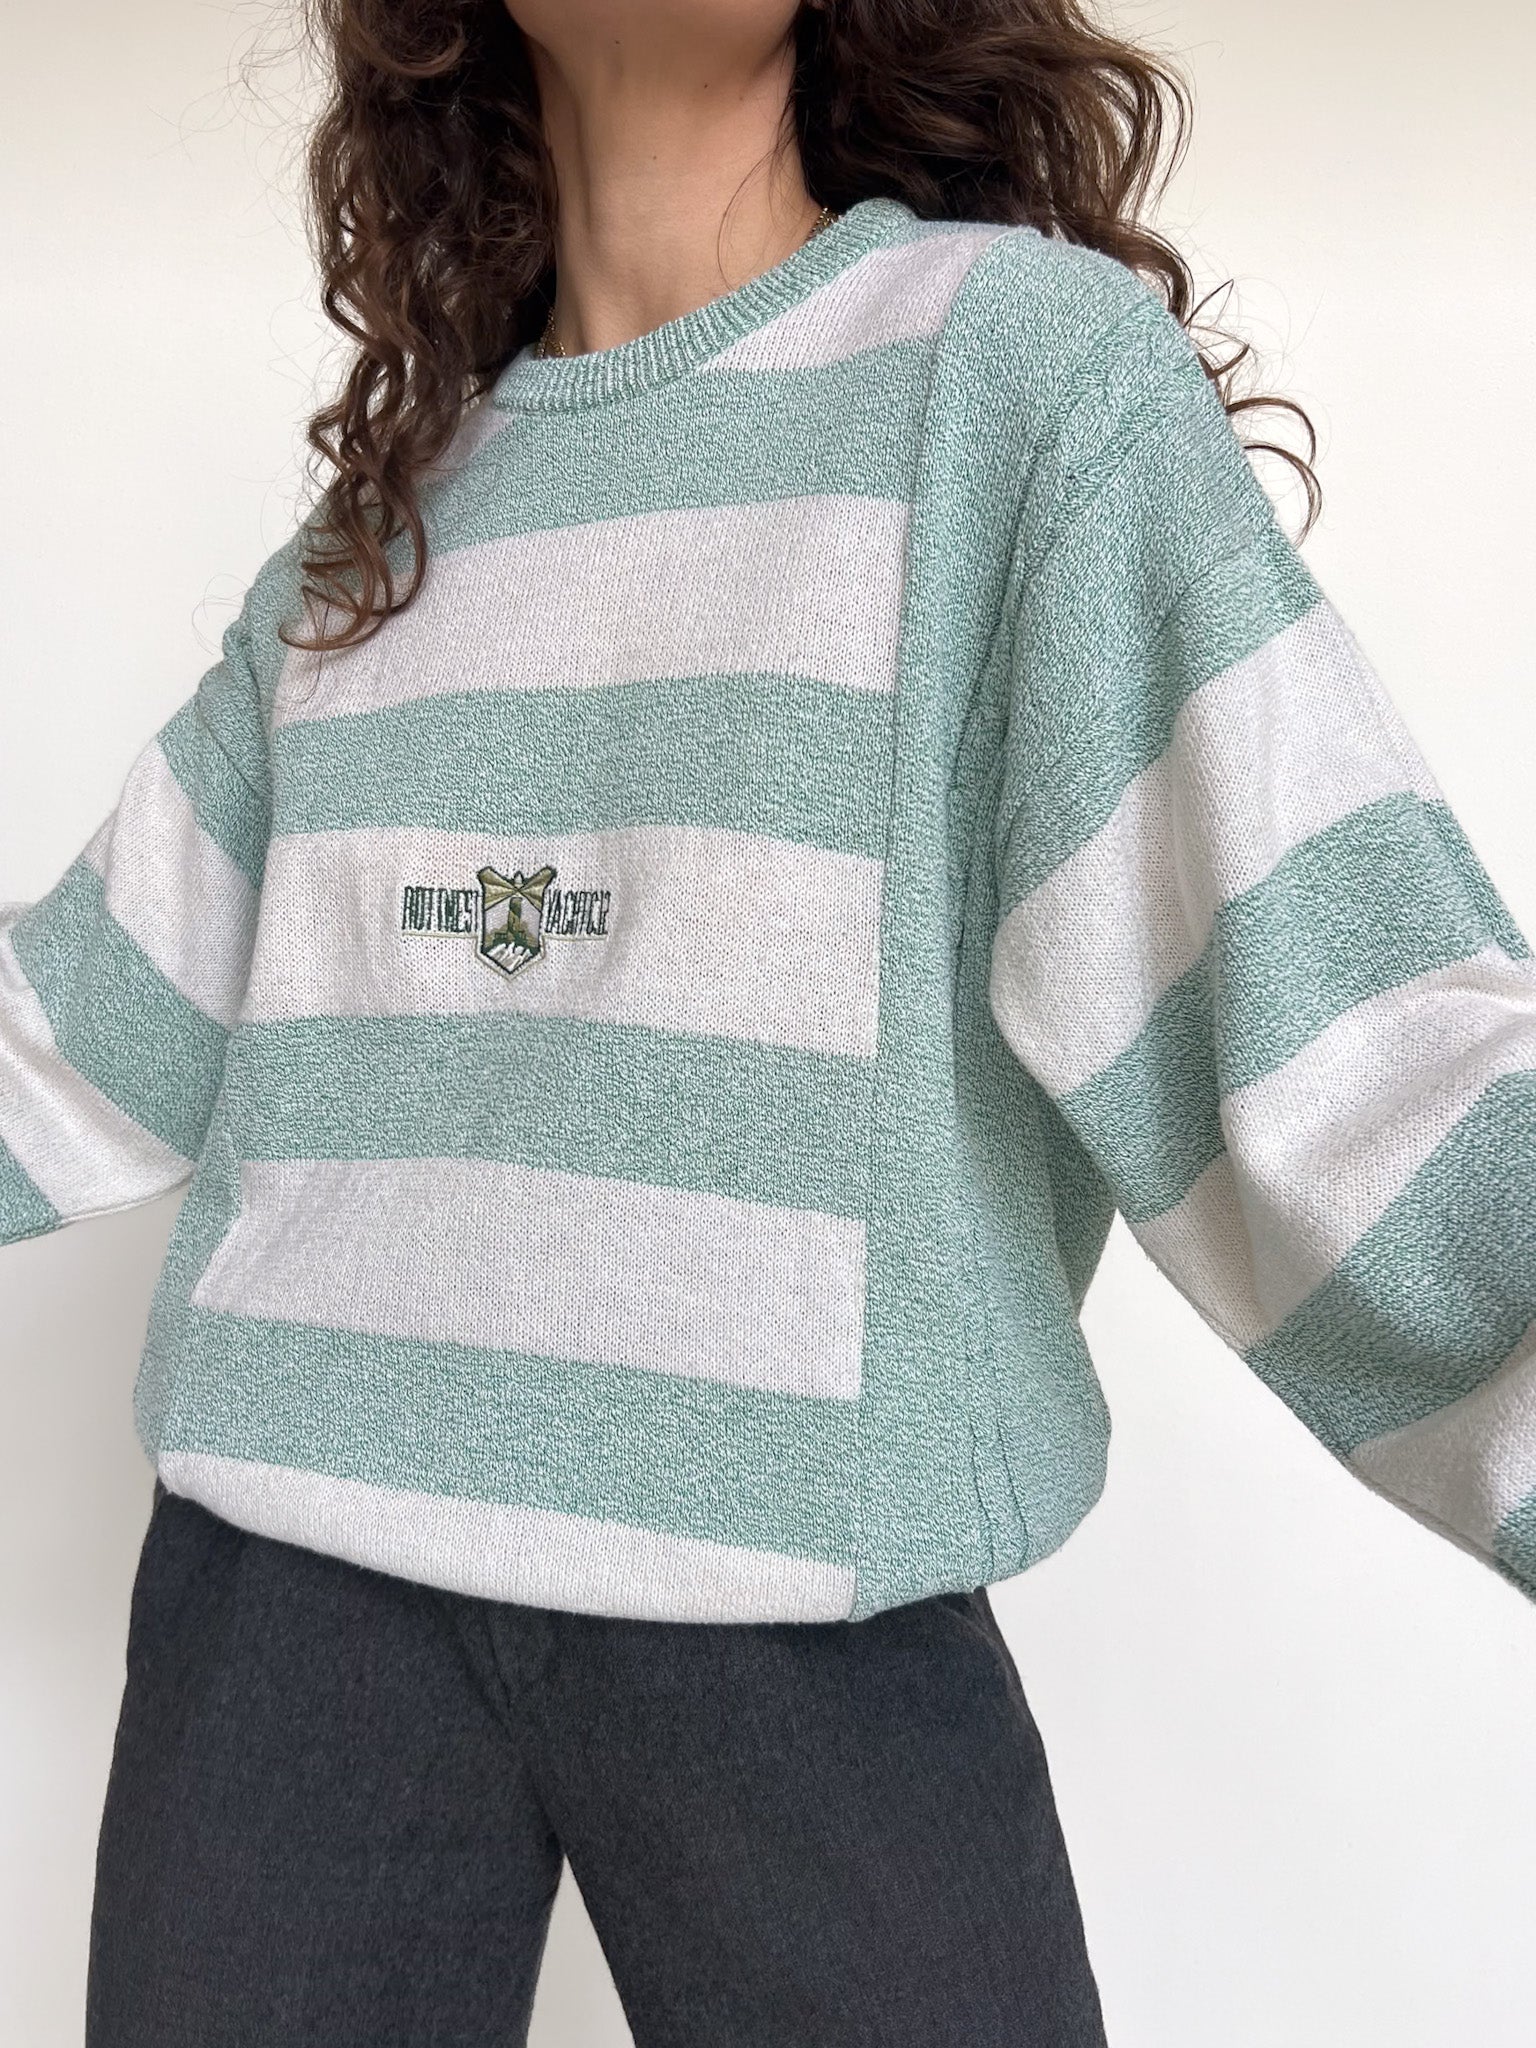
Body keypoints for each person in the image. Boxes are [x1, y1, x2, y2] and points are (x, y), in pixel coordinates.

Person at [3, 0, 1532, 2041]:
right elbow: (70, 1030)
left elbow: (1341, 1033)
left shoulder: (1011, 381)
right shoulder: (366, 552)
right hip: (284, 1606)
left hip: (806, 1606)